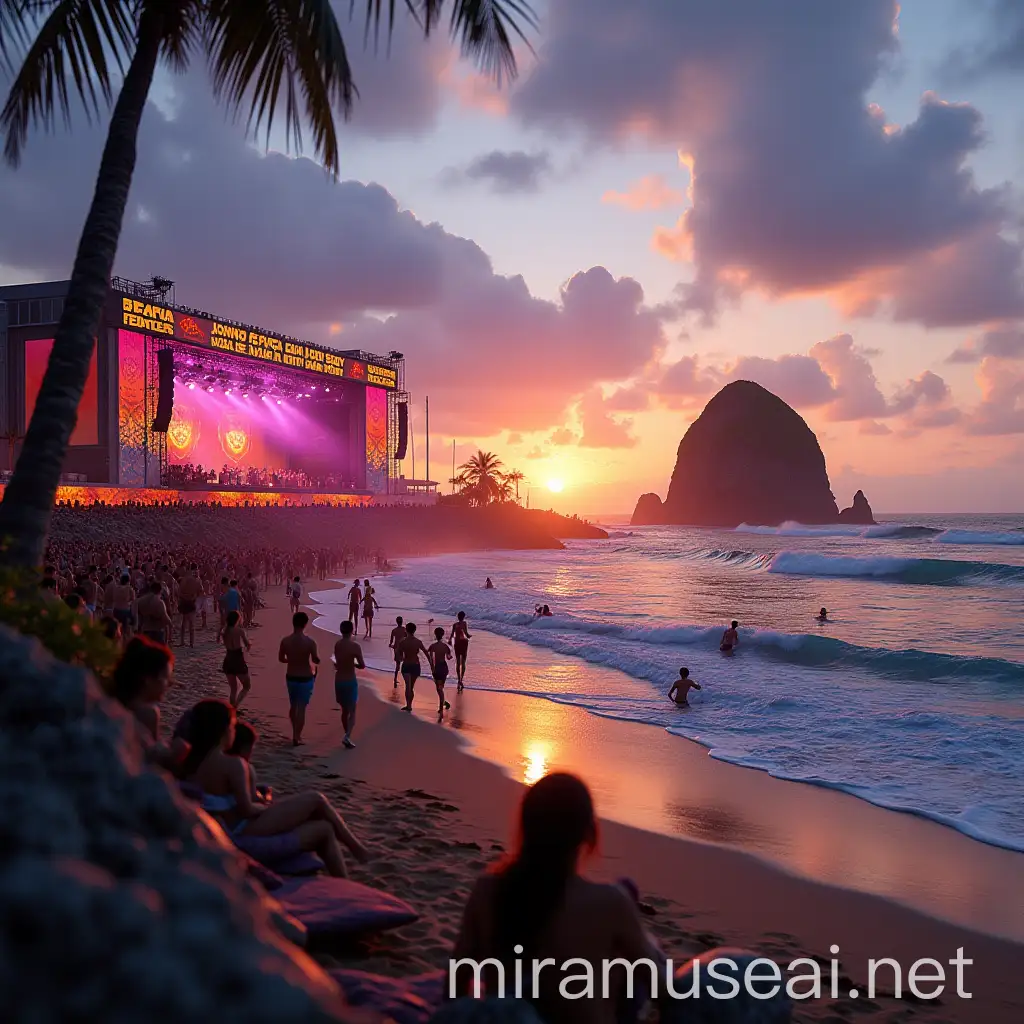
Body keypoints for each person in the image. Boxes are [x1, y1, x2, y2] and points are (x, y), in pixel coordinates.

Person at [450, 773, 659, 1022]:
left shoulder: (487, 890)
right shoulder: (610, 903)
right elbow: (661, 988)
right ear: (587, 834)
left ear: (526, 826)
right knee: (632, 955)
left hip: (512, 1016)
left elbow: (456, 983)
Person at [181, 699, 367, 876]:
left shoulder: (192, 762)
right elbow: (246, 809)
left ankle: (356, 853)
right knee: (316, 800)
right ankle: (357, 849)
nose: (233, 732)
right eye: (231, 727)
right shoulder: (232, 764)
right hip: (241, 828)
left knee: (322, 822)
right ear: (222, 731)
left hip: (227, 825)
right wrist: (265, 805)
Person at [111, 636, 184, 769]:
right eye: (166, 678)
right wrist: (176, 753)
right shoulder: (146, 712)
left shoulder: (115, 699)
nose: (169, 684)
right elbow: (152, 761)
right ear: (148, 679)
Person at [278, 611, 320, 746]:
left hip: (291, 676)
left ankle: (294, 731)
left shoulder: (285, 641)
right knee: (301, 708)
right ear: (305, 624)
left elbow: (281, 659)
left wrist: (291, 659)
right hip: (305, 677)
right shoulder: (310, 642)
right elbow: (315, 659)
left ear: (293, 623)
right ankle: (297, 736)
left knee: (293, 705)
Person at [334, 620, 365, 749]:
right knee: (352, 711)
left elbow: (338, 662)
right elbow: (362, 665)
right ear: (352, 631)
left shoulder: (337, 645)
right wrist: (354, 664)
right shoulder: (355, 646)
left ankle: (347, 735)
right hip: (350, 680)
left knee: (344, 710)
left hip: (339, 680)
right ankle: (347, 736)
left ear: (341, 630)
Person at [222, 610, 252, 708]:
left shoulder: (225, 631)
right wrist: (248, 647)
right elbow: (247, 644)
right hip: (237, 659)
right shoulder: (239, 631)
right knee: (247, 686)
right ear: (237, 619)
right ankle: (235, 706)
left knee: (233, 689)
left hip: (228, 659)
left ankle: (232, 708)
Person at [397, 622, 429, 712]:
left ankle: (409, 705)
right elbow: (426, 653)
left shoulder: (402, 642)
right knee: (411, 687)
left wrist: (401, 657)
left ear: (406, 630)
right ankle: (409, 705)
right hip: (415, 665)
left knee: (408, 686)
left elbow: (399, 655)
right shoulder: (418, 642)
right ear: (414, 630)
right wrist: (431, 664)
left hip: (406, 665)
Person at [136, 580, 173, 645]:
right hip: (157, 631)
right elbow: (165, 617)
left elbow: (139, 616)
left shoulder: (141, 600)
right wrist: (171, 624)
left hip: (145, 629)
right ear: (160, 590)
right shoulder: (159, 602)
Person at [428, 627, 453, 716]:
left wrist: (432, 668)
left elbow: (431, 658)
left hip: (437, 667)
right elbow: (448, 657)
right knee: (440, 688)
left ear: (435, 634)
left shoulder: (432, 646)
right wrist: (450, 656)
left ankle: (441, 707)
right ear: (442, 635)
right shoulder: (445, 646)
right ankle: (444, 702)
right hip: (444, 667)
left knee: (439, 688)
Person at [177, 563, 203, 647]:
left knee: (184, 622)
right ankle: (191, 643)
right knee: (190, 623)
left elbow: (179, 591)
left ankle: (183, 641)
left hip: (185, 601)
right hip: (190, 601)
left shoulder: (185, 579)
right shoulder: (195, 579)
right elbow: (201, 591)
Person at [449, 611, 472, 691]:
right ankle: (461, 679)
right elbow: (466, 633)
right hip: (463, 643)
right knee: (463, 662)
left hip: (457, 643)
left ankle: (458, 679)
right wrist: (469, 636)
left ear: (458, 617)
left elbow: (452, 635)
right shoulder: (464, 623)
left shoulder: (455, 625)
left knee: (458, 661)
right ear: (464, 617)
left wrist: (449, 641)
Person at [388, 616, 407, 687]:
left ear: (396, 622)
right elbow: (407, 638)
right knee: (405, 663)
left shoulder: (394, 630)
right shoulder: (405, 630)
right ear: (402, 621)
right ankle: (406, 679)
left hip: (397, 649)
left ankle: (395, 678)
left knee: (397, 666)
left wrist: (391, 646)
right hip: (403, 648)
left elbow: (390, 642)